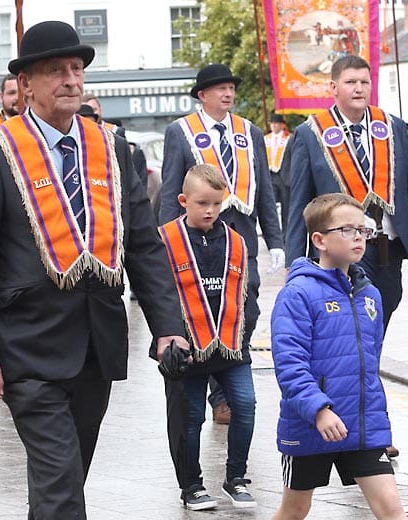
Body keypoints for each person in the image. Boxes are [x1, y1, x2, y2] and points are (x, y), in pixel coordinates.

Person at [0, 21, 187, 519]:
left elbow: (143, 245)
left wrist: (168, 326)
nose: (70, 80)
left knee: (65, 477)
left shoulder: (113, 148)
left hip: (95, 344)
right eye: (55, 71)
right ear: (28, 85)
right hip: (26, 346)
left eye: (77, 69)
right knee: (61, 484)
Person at [286, 55, 408, 459]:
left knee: (371, 343)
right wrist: (293, 258)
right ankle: (371, 430)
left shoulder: (392, 127)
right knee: (357, 343)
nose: (358, 89)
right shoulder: (311, 134)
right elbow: (299, 199)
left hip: (387, 250)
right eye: (350, 82)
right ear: (333, 87)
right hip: (344, 255)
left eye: (364, 82)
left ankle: (365, 422)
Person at [159, 63, 284, 424]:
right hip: (196, 239)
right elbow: (171, 191)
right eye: (219, 89)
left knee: (247, 307)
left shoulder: (250, 132)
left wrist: (274, 240)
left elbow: (263, 191)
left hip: (240, 239)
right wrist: (164, 241)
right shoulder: (181, 131)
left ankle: (231, 380)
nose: (227, 94)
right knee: (204, 307)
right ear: (202, 95)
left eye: (230, 87)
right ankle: (219, 396)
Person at [271, 193, 405, 520]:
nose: (359, 237)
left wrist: (377, 416)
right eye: (347, 230)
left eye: (363, 230)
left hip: (362, 426)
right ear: (319, 240)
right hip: (311, 424)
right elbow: (290, 365)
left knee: (391, 509)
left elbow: (368, 365)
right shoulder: (297, 293)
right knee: (295, 510)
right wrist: (318, 410)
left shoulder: (370, 295)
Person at [158, 164, 258, 510]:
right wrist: (165, 339)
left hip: (231, 346)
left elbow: (250, 292)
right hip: (187, 349)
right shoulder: (165, 239)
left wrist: (245, 336)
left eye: (217, 203)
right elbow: (158, 295)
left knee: (245, 406)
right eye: (202, 203)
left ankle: (236, 477)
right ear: (183, 200)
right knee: (190, 420)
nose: (210, 211)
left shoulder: (236, 240)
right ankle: (192, 487)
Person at [265, 112, 291, 239]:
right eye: (272, 123)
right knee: (270, 206)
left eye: (277, 123)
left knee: (286, 207)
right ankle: (272, 233)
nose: (274, 126)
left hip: (284, 175)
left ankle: (285, 234)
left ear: (282, 125)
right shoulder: (266, 139)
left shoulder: (288, 138)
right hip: (270, 175)